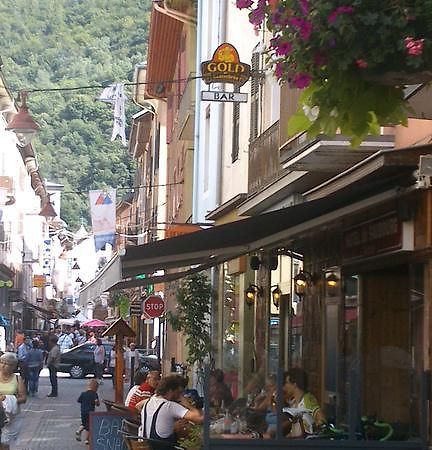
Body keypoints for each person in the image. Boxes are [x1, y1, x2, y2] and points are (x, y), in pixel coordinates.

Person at [140, 374, 203, 448]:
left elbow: (138, 405)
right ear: (170, 390)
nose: (179, 395)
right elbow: (199, 418)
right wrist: (187, 404)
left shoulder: (150, 400)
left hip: (148, 446)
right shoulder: (169, 406)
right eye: (178, 392)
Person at [282, 368, 326, 438]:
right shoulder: (293, 403)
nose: (284, 387)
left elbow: (321, 419)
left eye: (286, 383)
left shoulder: (307, 399)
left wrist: (316, 434)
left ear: (294, 384)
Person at [0, 352, 27, 449]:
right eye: (1, 362)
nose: (3, 365)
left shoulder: (17, 378)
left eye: (7, 364)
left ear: (13, 366)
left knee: (4, 444)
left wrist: (8, 400)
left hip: (10, 417)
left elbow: (23, 398)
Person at [76, 379, 100, 445]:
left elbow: (78, 400)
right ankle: (87, 439)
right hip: (90, 412)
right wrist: (96, 402)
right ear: (96, 388)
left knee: (84, 423)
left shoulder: (83, 394)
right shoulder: (94, 394)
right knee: (90, 425)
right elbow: (97, 404)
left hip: (83, 412)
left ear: (88, 386)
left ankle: (79, 430)